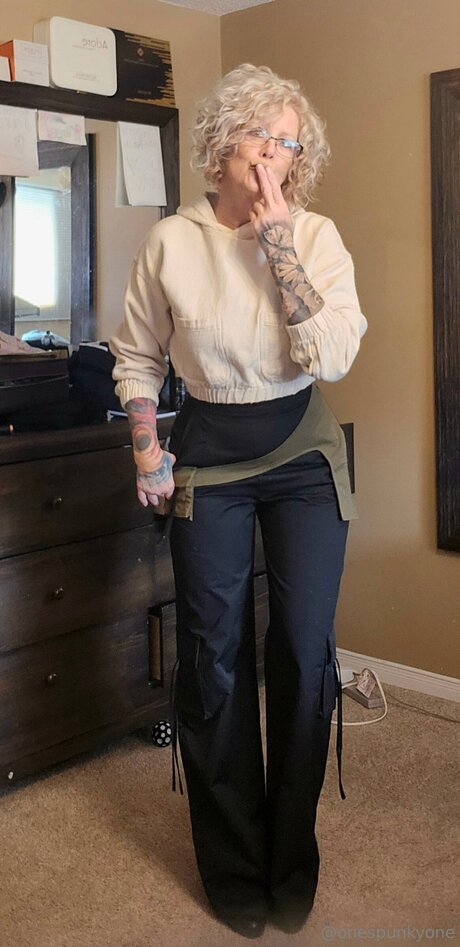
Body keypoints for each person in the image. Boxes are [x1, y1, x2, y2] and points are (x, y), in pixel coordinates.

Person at [109, 63, 367, 939]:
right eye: (260, 133)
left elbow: (332, 356)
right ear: (222, 143)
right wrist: (146, 447)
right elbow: (138, 355)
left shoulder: (315, 235)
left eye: (289, 141)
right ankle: (232, 864)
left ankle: (289, 859)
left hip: (302, 453)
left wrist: (280, 243)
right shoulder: (171, 242)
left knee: (301, 648)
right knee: (212, 656)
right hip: (209, 454)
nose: (273, 153)